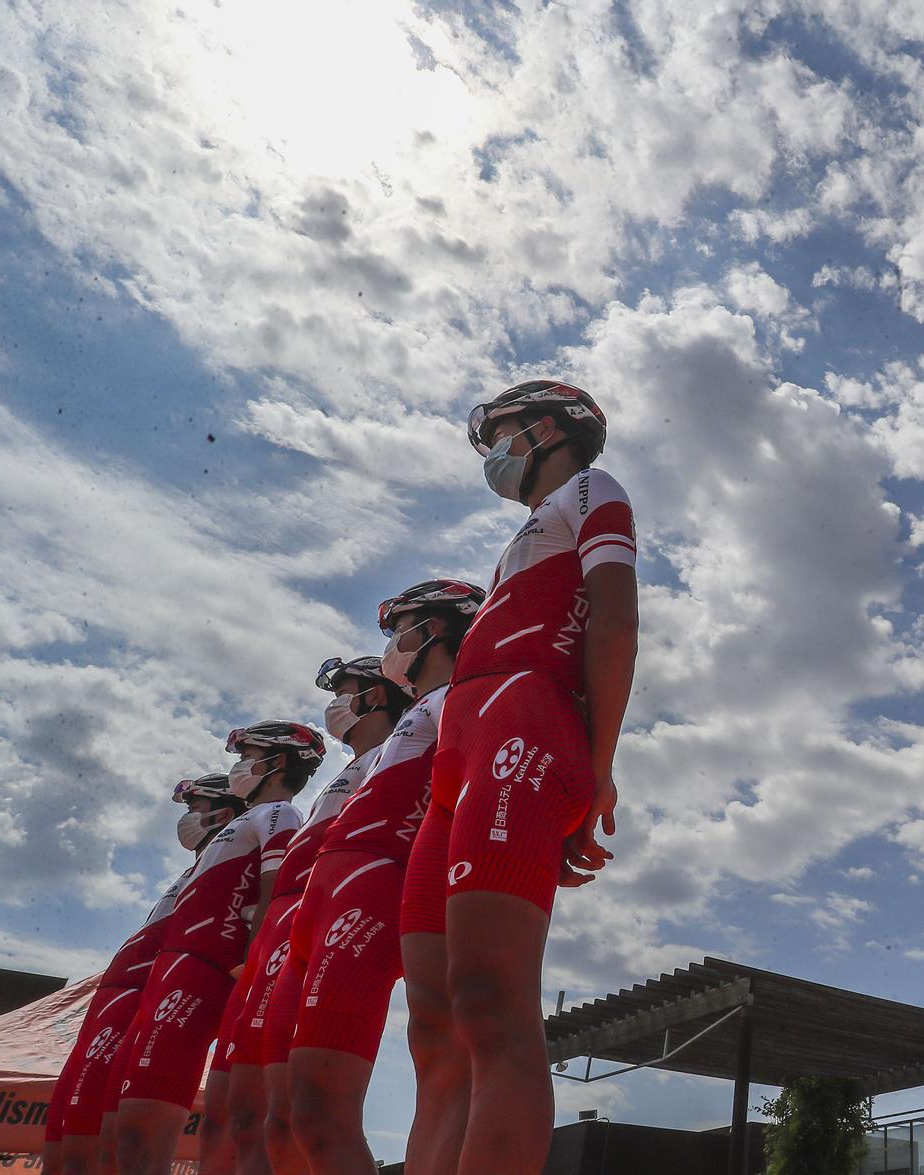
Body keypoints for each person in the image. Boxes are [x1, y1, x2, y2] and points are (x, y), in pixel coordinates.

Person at [405, 379, 637, 1174]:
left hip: (522, 719)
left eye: (497, 434)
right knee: (435, 1022)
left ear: (546, 426)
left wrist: (597, 766)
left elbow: (614, 615)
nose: (491, 456)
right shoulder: (529, 529)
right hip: (460, 748)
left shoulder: (589, 486)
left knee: (489, 997)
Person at [287, 589, 477, 1175]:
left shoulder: (456, 696)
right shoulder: (415, 716)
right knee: (297, 1112)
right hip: (332, 885)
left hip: (377, 878)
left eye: (400, 631)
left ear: (437, 630)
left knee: (320, 1107)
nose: (391, 647)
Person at [109, 722, 322, 1175]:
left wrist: (256, 959)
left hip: (210, 968)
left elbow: (276, 888)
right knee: (129, 1128)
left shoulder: (280, 814)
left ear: (277, 762)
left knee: (160, 1126)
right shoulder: (243, 822)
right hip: (172, 969)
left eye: (248, 756)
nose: (239, 768)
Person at [227, 657, 409, 1175]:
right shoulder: (349, 770)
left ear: (375, 698)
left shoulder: (398, 751)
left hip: (341, 909)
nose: (335, 703)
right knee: (273, 1117)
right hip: (298, 923)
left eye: (346, 690)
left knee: (315, 1110)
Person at [46, 776, 239, 1175]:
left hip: (155, 994)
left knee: (120, 1147)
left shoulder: (239, 853)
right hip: (120, 998)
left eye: (196, 808)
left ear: (223, 812)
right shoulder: (192, 872)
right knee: (72, 1152)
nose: (188, 818)